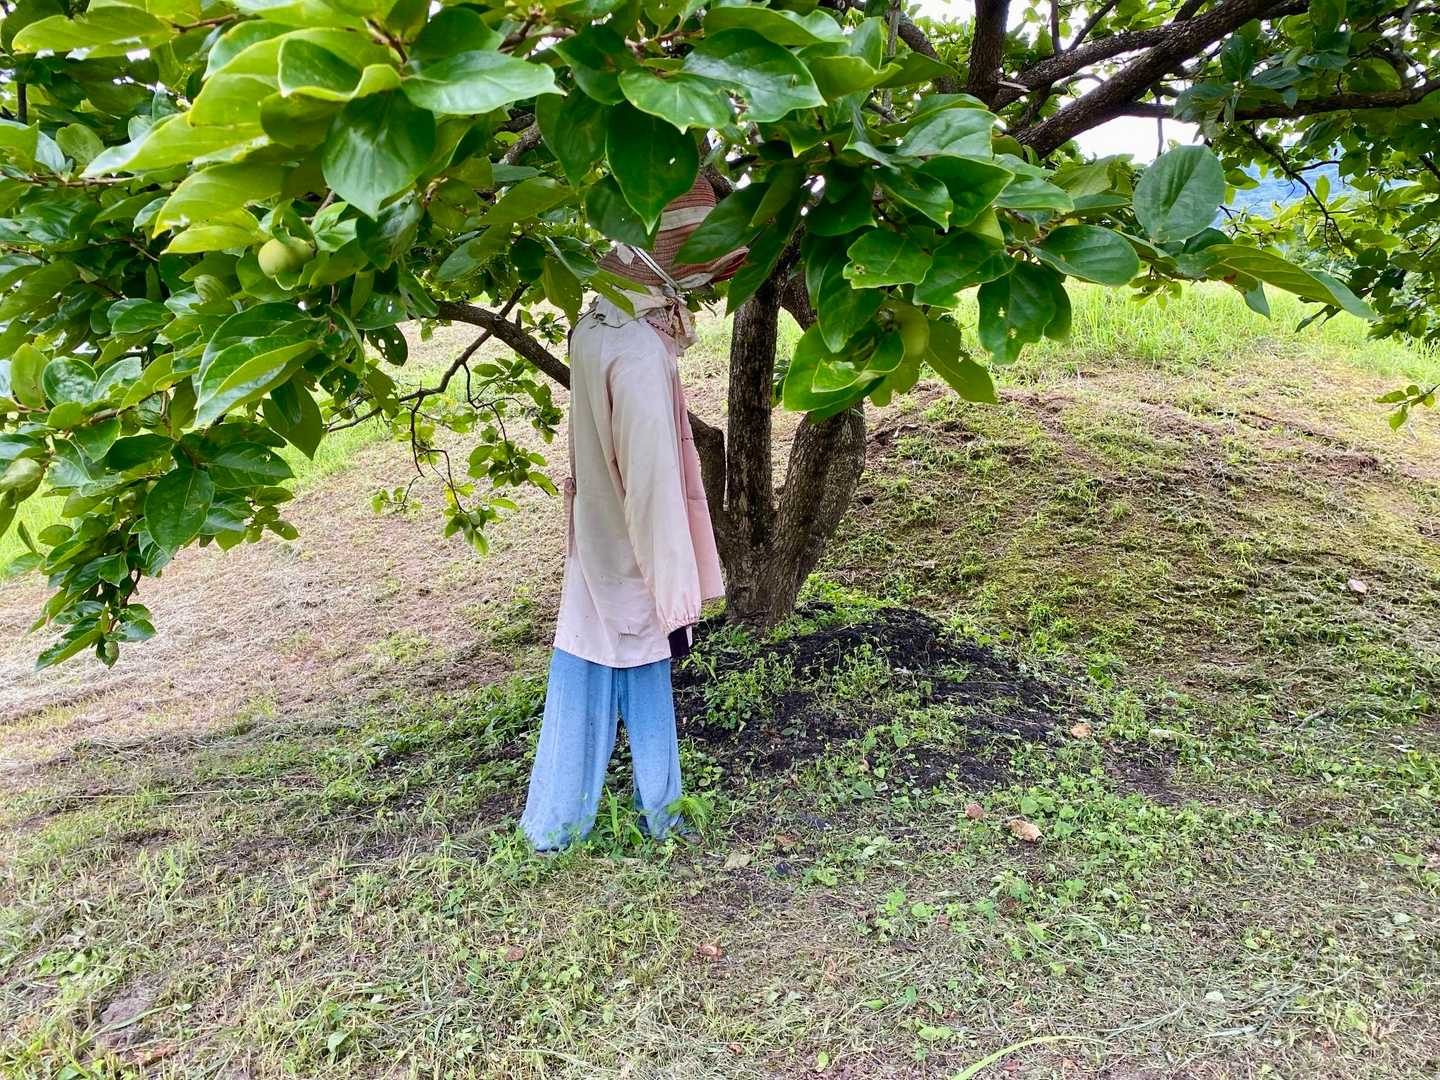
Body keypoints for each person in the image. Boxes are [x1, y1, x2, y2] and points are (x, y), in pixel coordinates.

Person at [519, 177, 746, 851]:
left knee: (589, 657)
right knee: (631, 659)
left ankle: (588, 817)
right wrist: (677, 597)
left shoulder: (593, 324)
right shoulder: (640, 353)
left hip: (597, 531)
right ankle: (639, 816)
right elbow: (651, 488)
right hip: (633, 544)